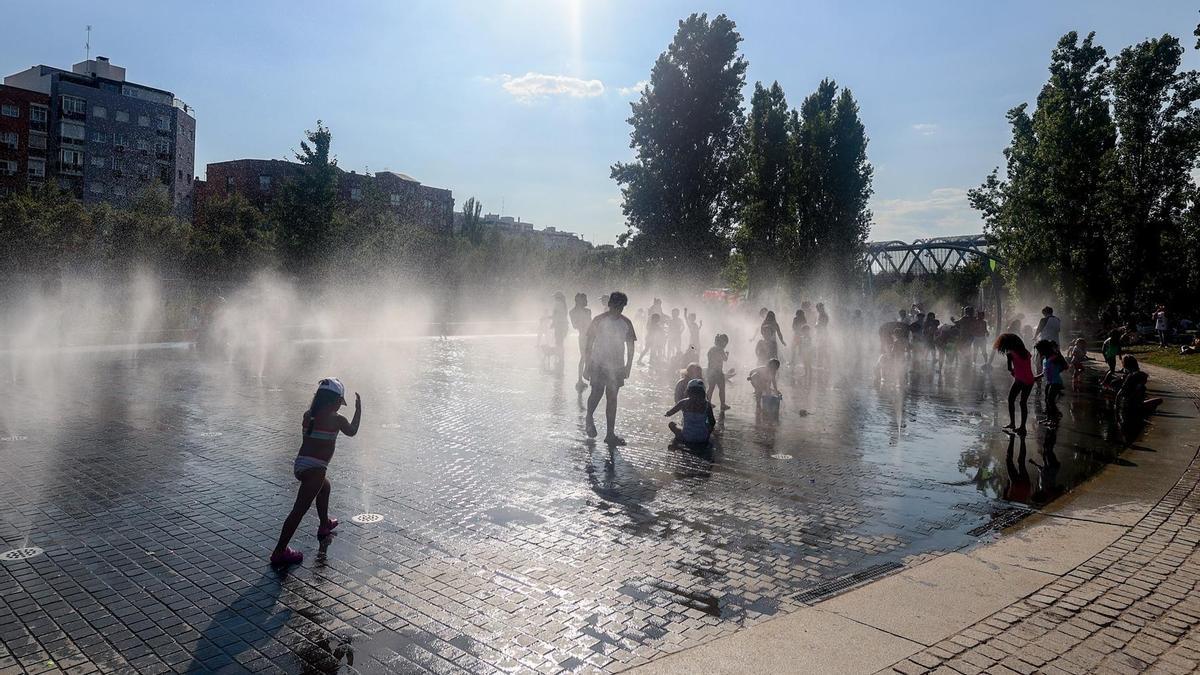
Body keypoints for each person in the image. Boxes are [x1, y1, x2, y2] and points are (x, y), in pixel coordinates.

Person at [271, 378, 361, 566]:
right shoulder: (337, 419)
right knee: (298, 511)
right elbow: (352, 431)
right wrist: (358, 411)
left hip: (301, 465)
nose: (340, 405)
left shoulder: (308, 414)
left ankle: (324, 524)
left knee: (325, 488)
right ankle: (279, 551)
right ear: (334, 401)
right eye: (339, 402)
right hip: (316, 469)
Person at [584, 292, 637, 445]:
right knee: (596, 393)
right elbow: (589, 344)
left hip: (617, 366)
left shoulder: (626, 323)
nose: (619, 310)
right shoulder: (599, 320)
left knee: (612, 399)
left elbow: (631, 346)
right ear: (610, 305)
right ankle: (589, 417)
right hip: (598, 363)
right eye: (616, 306)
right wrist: (587, 365)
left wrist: (628, 366)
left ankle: (610, 434)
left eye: (621, 307)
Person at [994, 333, 1034, 435]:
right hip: (1029, 380)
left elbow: (1009, 368)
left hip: (1020, 380)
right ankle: (1023, 427)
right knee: (1023, 402)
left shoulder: (1010, 354)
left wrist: (1014, 372)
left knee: (1011, 399)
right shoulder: (1026, 352)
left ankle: (1012, 423)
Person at [666, 378, 717, 446]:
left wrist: (667, 413)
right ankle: (703, 436)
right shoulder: (707, 404)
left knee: (672, 424)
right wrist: (709, 431)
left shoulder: (683, 402)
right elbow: (713, 422)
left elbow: (671, 412)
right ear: (703, 392)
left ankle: (678, 439)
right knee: (708, 425)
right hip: (702, 438)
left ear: (688, 391)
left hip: (686, 437)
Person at [1034, 339, 1067, 424]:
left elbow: (1065, 366)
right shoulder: (1046, 359)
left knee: (1050, 400)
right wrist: (1036, 377)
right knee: (1047, 400)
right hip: (1049, 382)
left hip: (1056, 382)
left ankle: (1054, 418)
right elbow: (1044, 373)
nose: (1039, 353)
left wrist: (1056, 372)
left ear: (1044, 349)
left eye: (1039, 350)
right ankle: (1048, 418)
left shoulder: (1054, 357)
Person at [569, 293, 592, 391]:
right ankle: (580, 379)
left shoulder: (587, 311)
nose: (587, 301)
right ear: (579, 301)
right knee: (584, 356)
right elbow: (575, 326)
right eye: (585, 299)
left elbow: (591, 323)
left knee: (588, 356)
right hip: (583, 336)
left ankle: (585, 377)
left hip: (588, 335)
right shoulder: (573, 312)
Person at [706, 333, 731, 411]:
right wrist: (727, 354)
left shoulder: (712, 349)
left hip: (710, 371)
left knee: (711, 388)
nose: (725, 344)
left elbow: (708, 356)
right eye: (725, 343)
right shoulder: (720, 350)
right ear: (723, 342)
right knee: (722, 388)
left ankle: (707, 403)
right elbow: (725, 359)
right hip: (718, 372)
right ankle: (722, 404)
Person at [551, 292, 570, 370]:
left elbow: (555, 314)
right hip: (564, 325)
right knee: (561, 342)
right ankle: (561, 358)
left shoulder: (557, 303)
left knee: (558, 342)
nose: (554, 298)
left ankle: (560, 359)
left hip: (559, 325)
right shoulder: (564, 304)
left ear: (557, 297)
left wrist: (553, 323)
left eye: (555, 296)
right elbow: (561, 314)